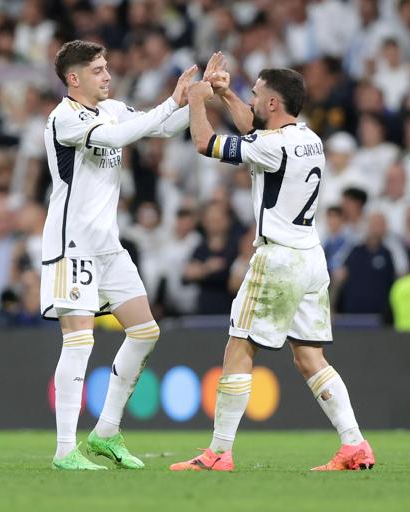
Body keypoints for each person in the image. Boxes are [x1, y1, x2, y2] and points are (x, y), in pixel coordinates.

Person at [171, 59, 374, 472]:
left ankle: (218, 452)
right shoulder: (308, 139)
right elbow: (254, 127)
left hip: (278, 258)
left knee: (239, 346)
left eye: (256, 95)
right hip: (311, 257)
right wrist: (226, 93)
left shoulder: (272, 146)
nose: (250, 99)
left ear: (274, 102)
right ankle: (354, 445)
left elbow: (204, 142)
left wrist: (198, 100)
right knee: (310, 358)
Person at [39, 40, 206, 471]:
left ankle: (106, 432)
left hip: (108, 247)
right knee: (78, 343)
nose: (107, 75)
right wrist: (170, 99)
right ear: (73, 79)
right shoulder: (63, 118)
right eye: (97, 70)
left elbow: (165, 128)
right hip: (70, 245)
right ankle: (63, 451)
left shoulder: (112, 108)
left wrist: (202, 99)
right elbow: (120, 137)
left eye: (107, 66)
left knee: (146, 331)